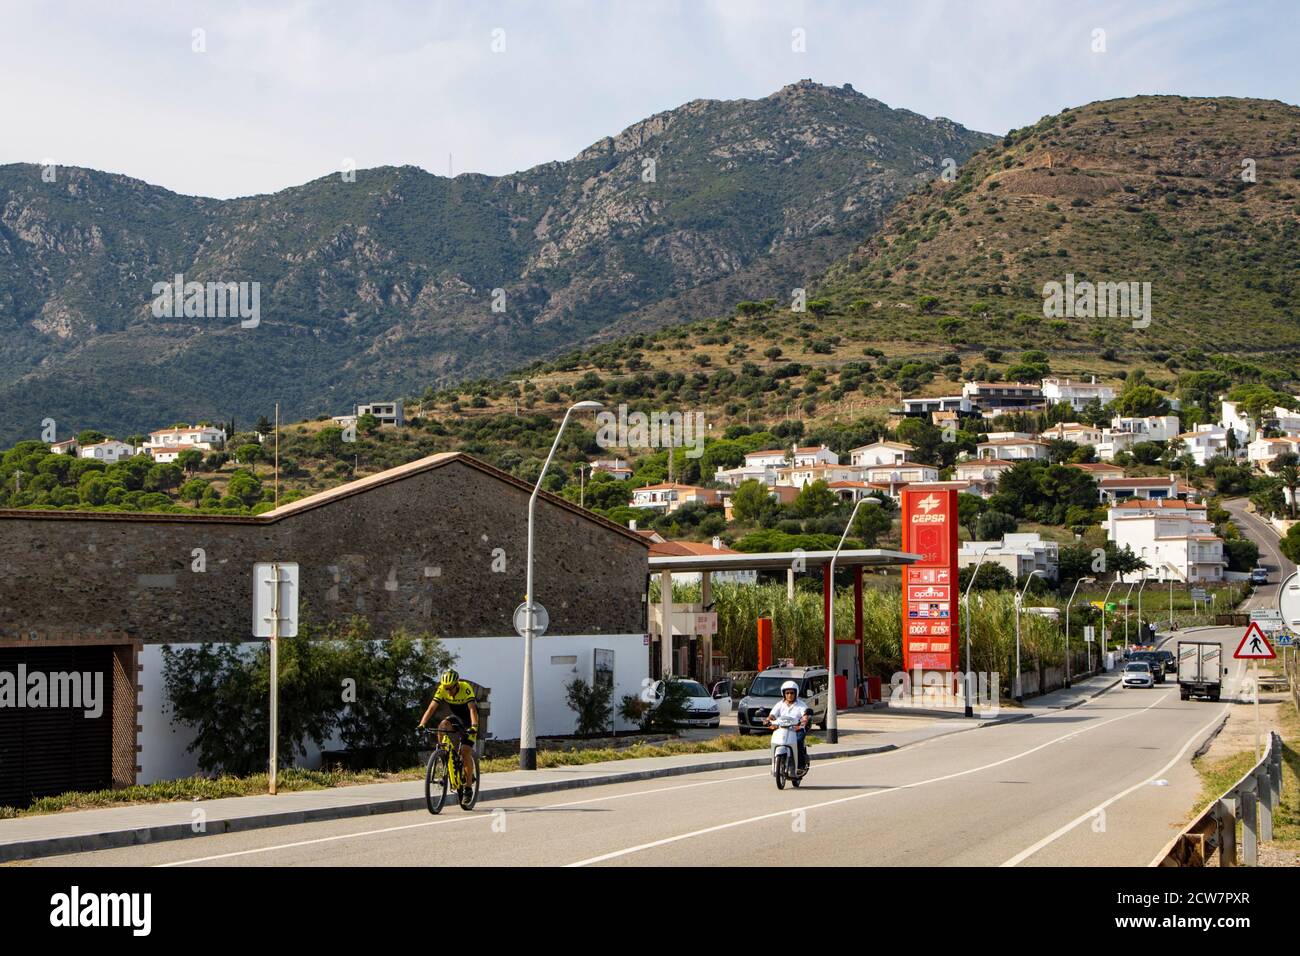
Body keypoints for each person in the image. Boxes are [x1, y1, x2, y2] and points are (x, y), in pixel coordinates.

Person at [418, 669, 480, 791]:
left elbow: (472, 709)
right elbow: (431, 708)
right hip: (457, 718)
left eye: (451, 688)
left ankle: (468, 788)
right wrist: (422, 724)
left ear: (457, 684)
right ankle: (443, 752)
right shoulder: (442, 689)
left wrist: (474, 726)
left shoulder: (465, 688)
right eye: (446, 689)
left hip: (470, 720)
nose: (448, 691)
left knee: (465, 751)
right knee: (443, 725)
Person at [765, 680, 810, 773]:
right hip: (782, 729)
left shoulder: (801, 705)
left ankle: (800, 766)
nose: (789, 695)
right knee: (775, 741)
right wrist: (768, 720)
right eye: (787, 693)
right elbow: (773, 715)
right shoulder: (779, 704)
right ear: (784, 694)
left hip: (797, 729)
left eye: (792, 693)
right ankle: (775, 765)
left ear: (796, 693)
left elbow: (805, 714)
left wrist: (804, 720)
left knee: (798, 741)